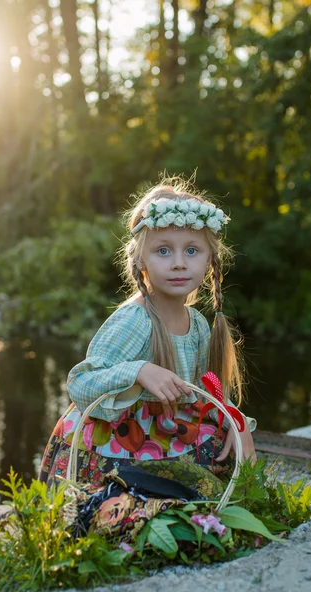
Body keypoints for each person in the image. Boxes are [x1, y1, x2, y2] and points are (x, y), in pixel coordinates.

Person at [39, 177, 257, 502]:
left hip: (163, 436)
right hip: (114, 447)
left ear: (210, 260)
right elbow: (81, 382)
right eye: (163, 250)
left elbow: (203, 387)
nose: (179, 262)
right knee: (126, 513)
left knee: (222, 472)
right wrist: (139, 371)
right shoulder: (135, 320)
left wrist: (235, 421)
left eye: (192, 250)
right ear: (141, 259)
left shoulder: (197, 324)